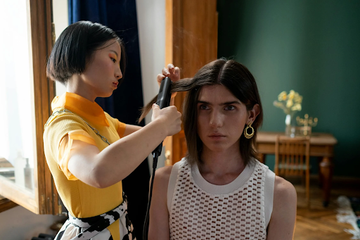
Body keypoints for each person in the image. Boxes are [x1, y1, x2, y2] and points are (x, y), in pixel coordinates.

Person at [43, 21, 182, 240]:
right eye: (112, 59)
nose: (119, 73)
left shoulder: (99, 119)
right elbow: (98, 172)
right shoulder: (64, 126)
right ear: (80, 53)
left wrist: (165, 97)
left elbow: (150, 140)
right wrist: (160, 126)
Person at [141, 59, 297, 240]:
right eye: (204, 107)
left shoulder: (279, 194)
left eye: (229, 107)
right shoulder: (164, 183)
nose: (215, 122)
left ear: (251, 115)